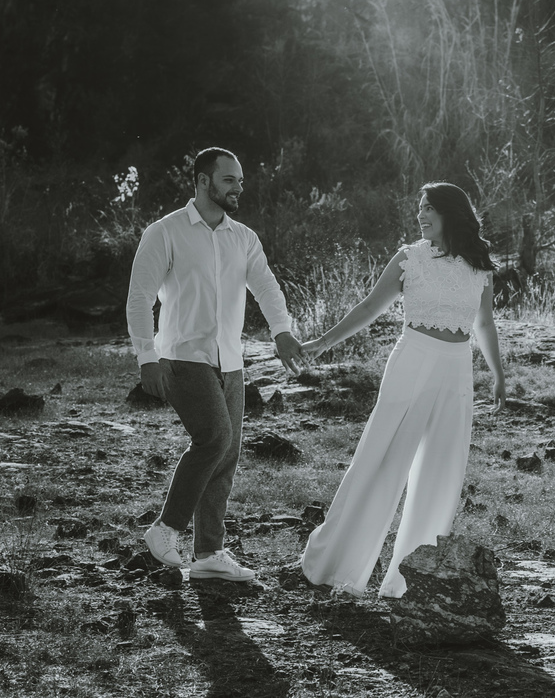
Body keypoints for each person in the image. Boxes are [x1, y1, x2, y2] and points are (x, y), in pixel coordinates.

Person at [299, 181, 506, 598]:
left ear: (450, 213)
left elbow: (484, 324)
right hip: (412, 362)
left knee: (442, 470)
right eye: (420, 208)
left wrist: (498, 374)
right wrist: (322, 342)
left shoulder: (479, 268)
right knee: (381, 459)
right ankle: (336, 564)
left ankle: (410, 581)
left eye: (429, 208)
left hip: (456, 371)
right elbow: (369, 307)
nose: (420, 215)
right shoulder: (409, 258)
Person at [126, 147, 304, 582]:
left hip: (231, 360)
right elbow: (139, 298)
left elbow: (266, 286)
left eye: (240, 180)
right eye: (229, 179)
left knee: (227, 454)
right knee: (214, 438)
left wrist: (281, 331)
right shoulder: (165, 232)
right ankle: (165, 528)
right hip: (182, 356)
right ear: (203, 181)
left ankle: (209, 553)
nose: (238, 187)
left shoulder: (243, 237)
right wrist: (147, 357)